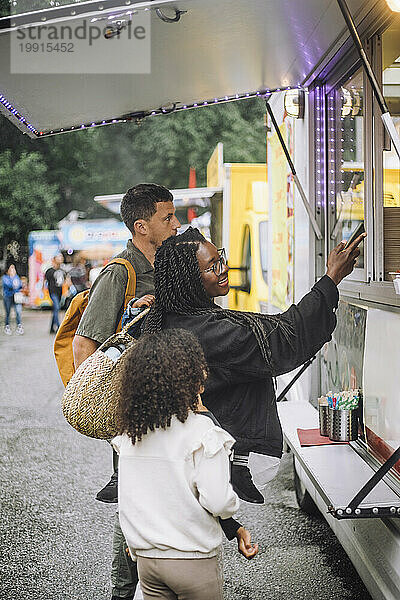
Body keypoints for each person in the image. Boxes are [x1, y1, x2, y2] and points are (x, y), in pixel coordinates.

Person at [72, 184, 255, 600]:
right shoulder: (122, 271)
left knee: (168, 488)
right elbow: (86, 346)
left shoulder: (167, 263)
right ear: (142, 226)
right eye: (167, 218)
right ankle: (125, 591)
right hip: (136, 410)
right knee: (136, 499)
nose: (176, 224)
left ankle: (160, 576)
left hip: (171, 404)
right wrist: (118, 413)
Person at [143, 226, 367, 503]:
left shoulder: (167, 315)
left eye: (220, 258)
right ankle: (236, 460)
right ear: (188, 280)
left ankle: (237, 461)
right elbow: (285, 336)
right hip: (194, 461)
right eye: (212, 267)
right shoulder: (205, 332)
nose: (223, 269)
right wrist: (332, 278)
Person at [113, 328, 256, 600]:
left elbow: (127, 499)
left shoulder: (131, 435)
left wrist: (134, 541)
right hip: (194, 561)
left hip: (147, 560)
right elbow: (218, 501)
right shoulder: (201, 432)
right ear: (187, 380)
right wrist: (232, 510)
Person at [44, 254, 66, 334]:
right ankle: (59, 327)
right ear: (54, 259)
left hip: (59, 292)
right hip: (52, 292)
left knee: (55, 309)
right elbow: (45, 282)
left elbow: (65, 281)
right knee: (57, 307)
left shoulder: (62, 270)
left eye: (61, 257)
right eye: (59, 257)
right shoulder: (50, 271)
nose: (61, 258)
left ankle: (51, 328)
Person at [2, 263, 24, 335]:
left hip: (16, 297)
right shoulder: (5, 277)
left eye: (13, 268)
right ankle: (7, 326)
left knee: (18, 312)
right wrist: (15, 285)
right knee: (8, 312)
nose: (13, 270)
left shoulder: (16, 277)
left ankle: (19, 326)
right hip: (8, 297)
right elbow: (9, 285)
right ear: (7, 270)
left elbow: (20, 285)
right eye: (11, 268)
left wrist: (16, 285)